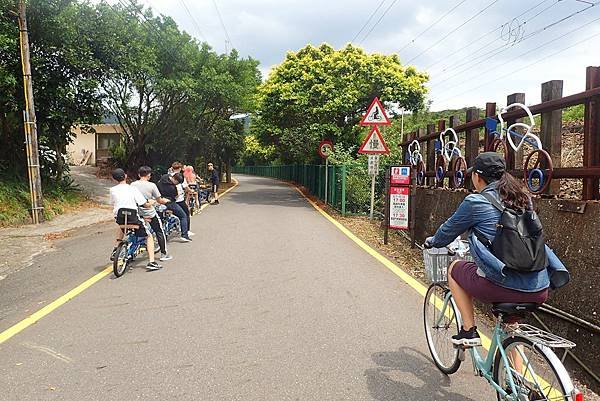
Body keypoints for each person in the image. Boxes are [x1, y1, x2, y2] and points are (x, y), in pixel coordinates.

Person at [424, 152, 569, 347]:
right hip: (539, 286)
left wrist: (432, 242)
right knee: (509, 328)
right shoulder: (523, 198)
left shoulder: (475, 202)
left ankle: (468, 331)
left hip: (503, 285)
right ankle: (515, 377)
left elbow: (447, 232)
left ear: (477, 176)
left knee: (454, 269)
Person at [109, 168, 162, 271]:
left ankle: (116, 248)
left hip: (119, 217)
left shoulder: (112, 190)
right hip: (133, 217)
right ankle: (152, 262)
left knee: (121, 226)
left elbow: (112, 202)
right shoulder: (132, 189)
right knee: (149, 236)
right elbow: (144, 204)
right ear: (125, 176)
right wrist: (152, 202)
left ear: (114, 179)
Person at [131, 166, 173, 262]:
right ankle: (163, 254)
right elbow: (159, 200)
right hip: (148, 212)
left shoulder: (133, 184)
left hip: (136, 212)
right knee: (159, 230)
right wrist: (165, 201)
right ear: (149, 175)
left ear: (139, 174)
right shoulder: (152, 185)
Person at [157, 171, 192, 242]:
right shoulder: (172, 188)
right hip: (169, 203)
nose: (177, 184)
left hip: (159, 200)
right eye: (178, 183)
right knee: (183, 216)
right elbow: (175, 196)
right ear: (175, 180)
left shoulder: (164, 177)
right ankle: (184, 235)